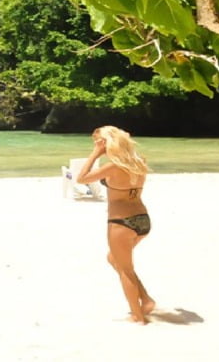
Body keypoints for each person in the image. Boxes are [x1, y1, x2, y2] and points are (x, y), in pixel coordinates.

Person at [75, 125, 155, 324]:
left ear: (106, 143)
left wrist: (95, 154)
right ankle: (145, 299)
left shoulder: (112, 167)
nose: (96, 145)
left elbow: (81, 178)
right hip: (142, 219)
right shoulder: (139, 162)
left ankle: (138, 316)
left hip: (121, 222)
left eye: (97, 142)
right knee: (114, 259)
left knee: (125, 270)